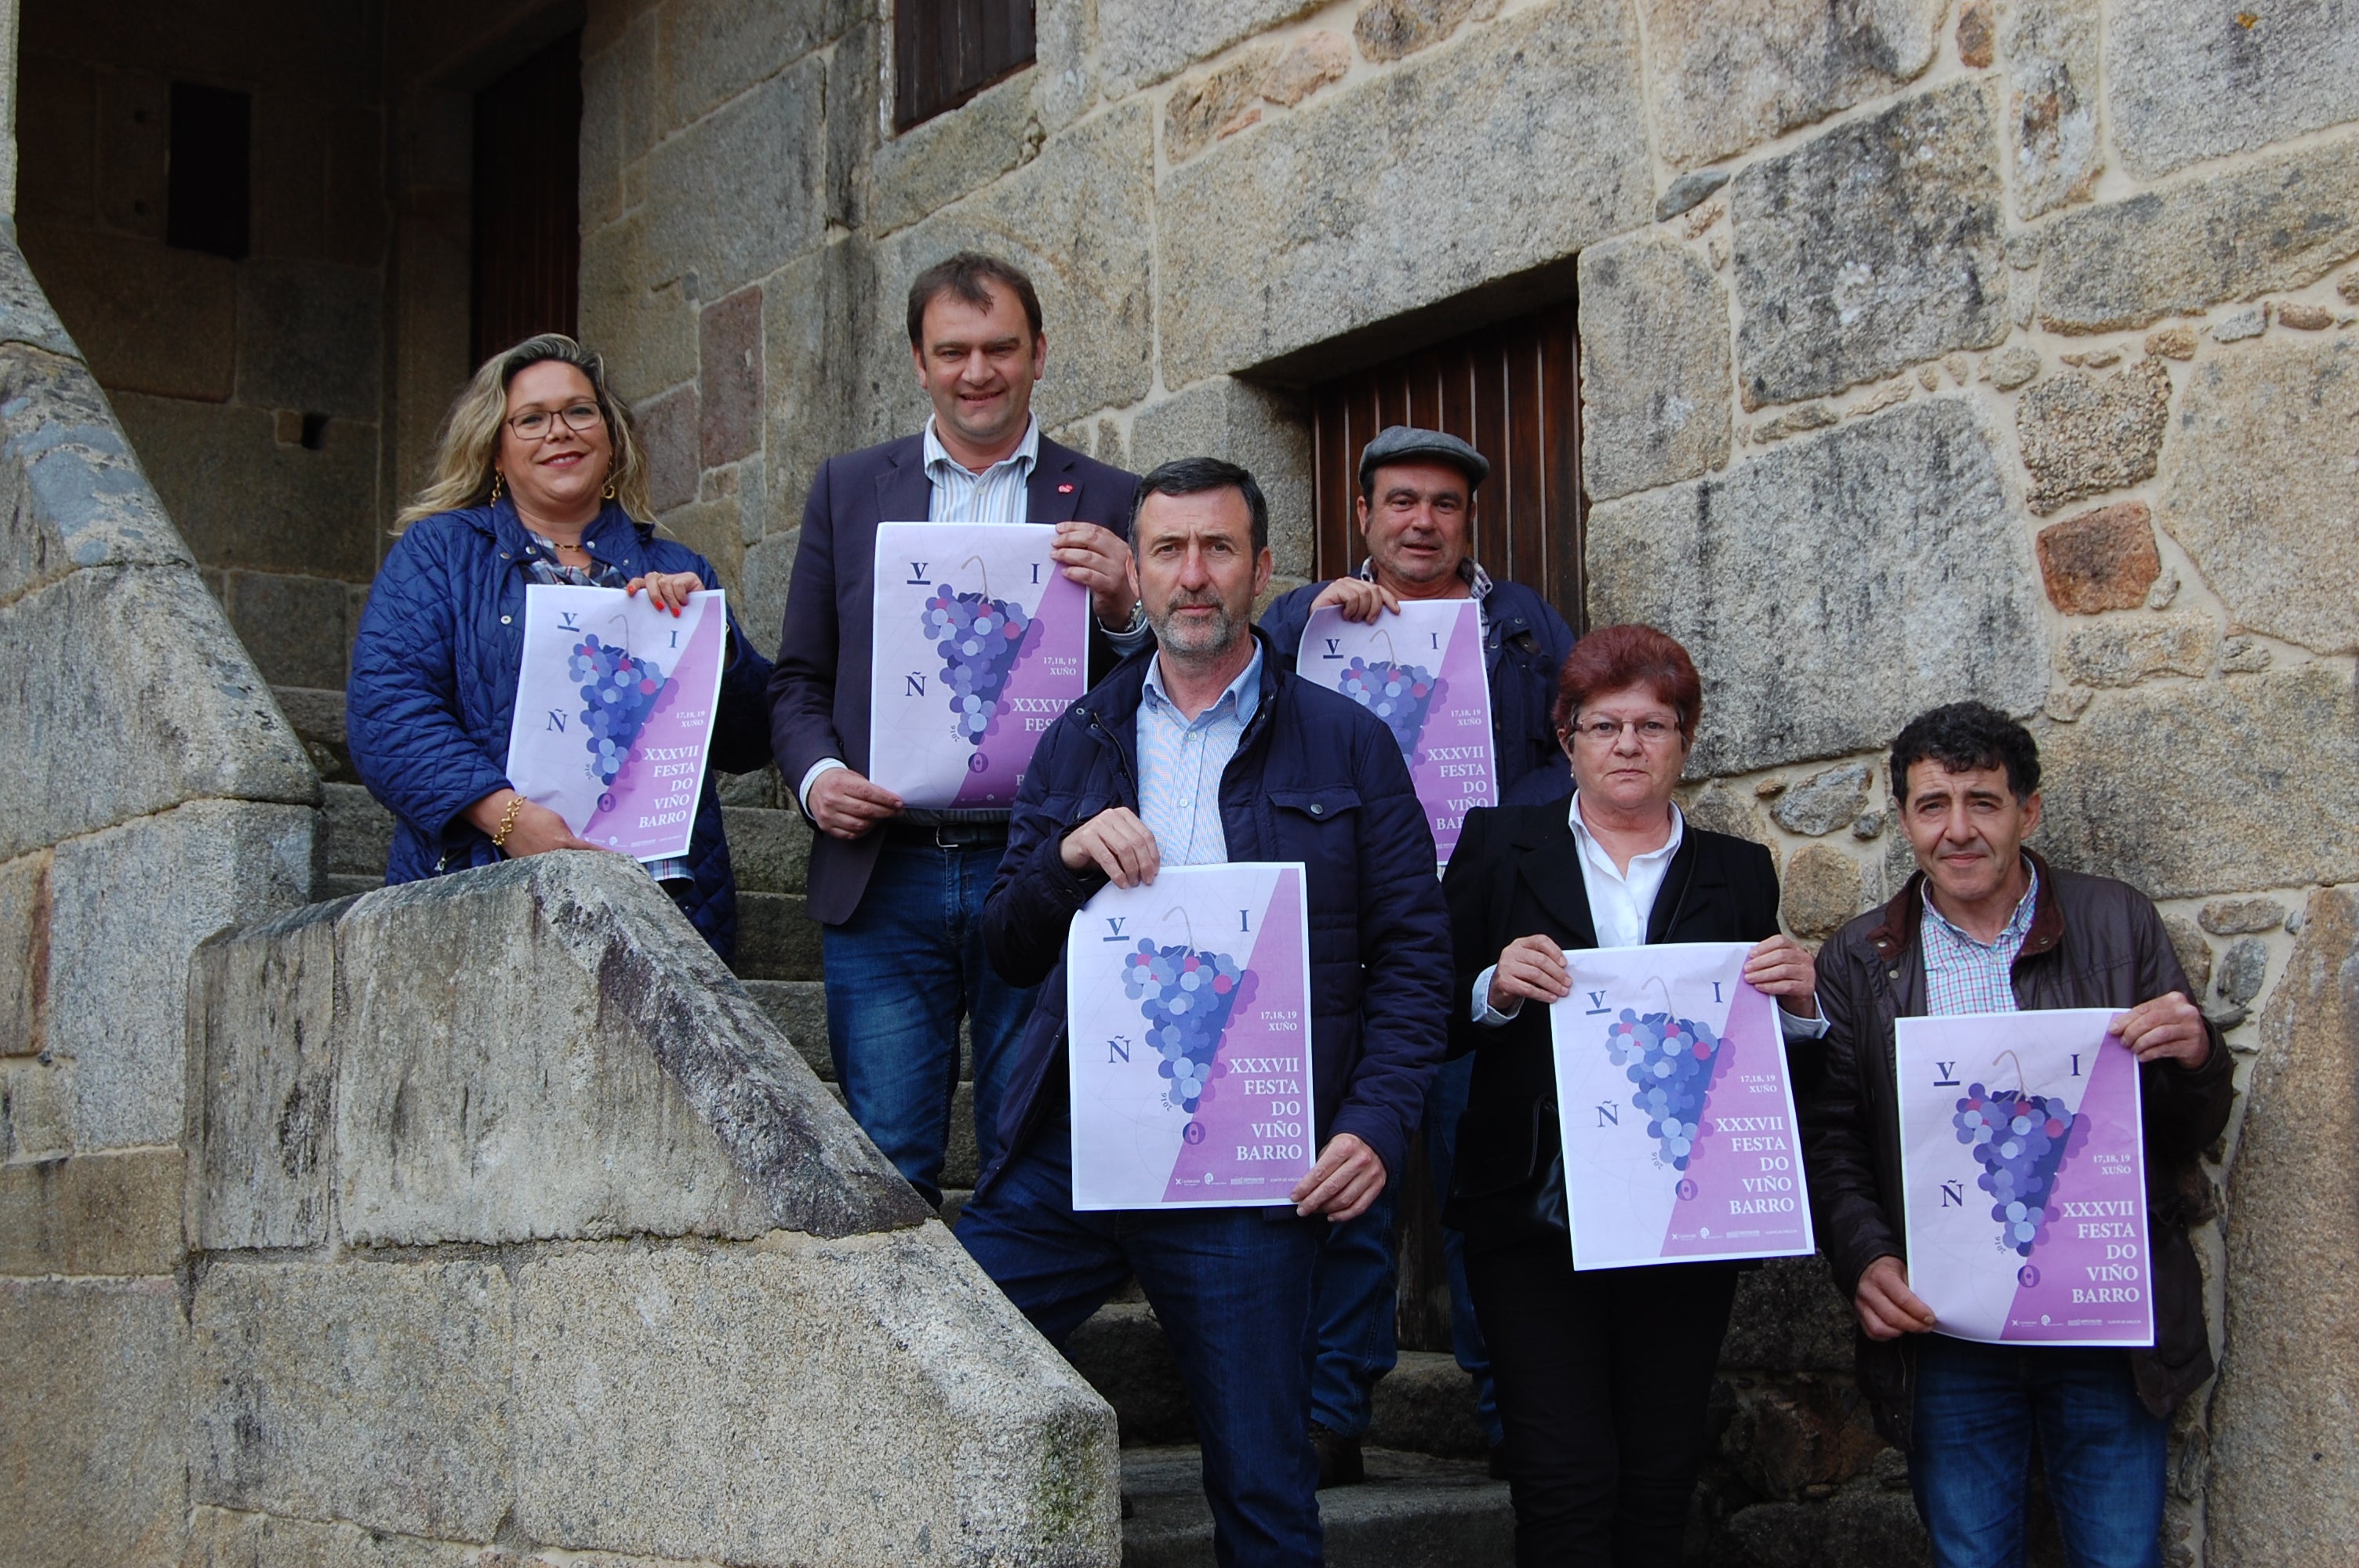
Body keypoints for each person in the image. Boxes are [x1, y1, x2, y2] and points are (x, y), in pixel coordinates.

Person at [959, 458, 1453, 1566]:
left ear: (1261, 569)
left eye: (1219, 550)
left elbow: (1416, 958)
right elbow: (1005, 940)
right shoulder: (1078, 736)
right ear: (1135, 570)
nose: (1194, 576)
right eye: (1171, 550)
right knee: (938, 1341)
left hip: (1252, 1162)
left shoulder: (1347, 743)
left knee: (1265, 1493)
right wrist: (1066, 864)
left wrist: (1375, 1124)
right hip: (1078, 1145)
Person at [1801, 702, 2232, 1568]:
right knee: (1970, 1557)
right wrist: (1865, 1258)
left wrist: (2193, 1055)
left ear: (2026, 812)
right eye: (1931, 805)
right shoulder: (1858, 957)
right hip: (1948, 1330)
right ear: (1902, 820)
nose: (1956, 829)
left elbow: (2187, 1129)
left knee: (2117, 1556)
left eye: (1981, 801)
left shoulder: (2118, 921)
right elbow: (1834, 1139)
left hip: (2100, 1325)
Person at [1439, 623, 1828, 1566]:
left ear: (1683, 741)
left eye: (1651, 725)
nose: (1626, 744)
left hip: (1685, 1207)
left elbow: (1767, 1066)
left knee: (1658, 1474)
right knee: (1561, 1477)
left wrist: (1802, 1009)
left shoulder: (1738, 871)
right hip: (1533, 1212)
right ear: (1565, 736)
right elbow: (1424, 1008)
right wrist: (1490, 988)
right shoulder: (1498, 844)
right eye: (1602, 724)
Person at [768, 252, 1147, 1209]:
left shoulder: (1110, 497)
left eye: (999, 348)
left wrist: (1122, 608)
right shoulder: (849, 489)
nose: (976, 371)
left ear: (1039, 353)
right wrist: (816, 778)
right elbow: (800, 680)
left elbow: (1163, 689)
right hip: (883, 870)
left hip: (1041, 866)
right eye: (953, 351)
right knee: (886, 1160)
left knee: (1031, 1149)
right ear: (917, 360)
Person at [1258, 425, 1577, 1483]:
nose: (1422, 521)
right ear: (1364, 517)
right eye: (1401, 502)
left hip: (1484, 936)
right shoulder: (1307, 624)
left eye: (1443, 504)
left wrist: (1499, 833)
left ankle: (1512, 1417)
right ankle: (1331, 1415)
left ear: (1466, 518)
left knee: (1488, 1184)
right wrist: (1298, 615)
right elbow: (1229, 702)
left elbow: (1572, 749)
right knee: (1356, 1186)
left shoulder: (1521, 625)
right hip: (1352, 937)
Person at [347, 333, 774, 959]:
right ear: (496, 450)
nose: (560, 432)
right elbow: (387, 714)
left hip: (658, 908)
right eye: (531, 419)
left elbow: (753, 737)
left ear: (611, 438)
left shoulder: (679, 569)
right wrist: (510, 819)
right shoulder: (439, 554)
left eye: (580, 411)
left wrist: (713, 644)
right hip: (480, 885)